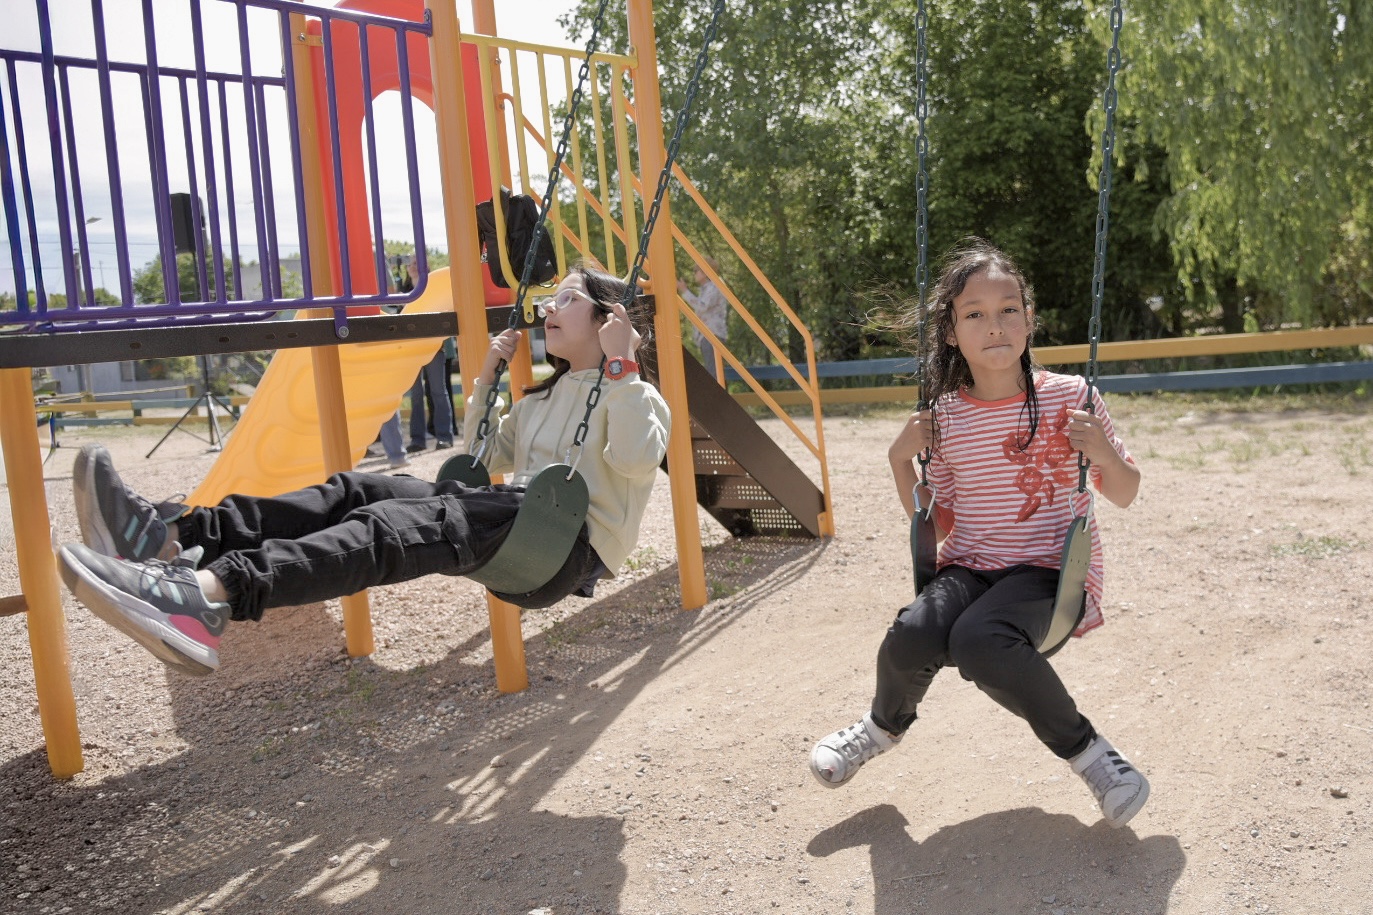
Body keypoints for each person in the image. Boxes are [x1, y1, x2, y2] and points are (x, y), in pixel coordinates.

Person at [57, 264, 670, 676]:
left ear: (609, 321)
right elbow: (482, 457)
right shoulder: (541, 398)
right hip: (519, 523)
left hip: (566, 547)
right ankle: (170, 535)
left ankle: (206, 597)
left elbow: (637, 459)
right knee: (358, 489)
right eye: (551, 297)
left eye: (567, 299)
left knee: (394, 524)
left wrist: (621, 370)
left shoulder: (637, 396)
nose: (548, 308)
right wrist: (485, 378)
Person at [808, 240, 1149, 830]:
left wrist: (1102, 453)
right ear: (950, 332)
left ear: (1029, 319)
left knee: (978, 639)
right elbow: (938, 524)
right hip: (970, 568)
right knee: (912, 633)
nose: (995, 326)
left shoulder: (1072, 398)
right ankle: (879, 728)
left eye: (1008, 310)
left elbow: (1125, 491)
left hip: (1050, 574)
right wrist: (899, 461)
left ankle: (1092, 755)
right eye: (975, 314)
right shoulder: (944, 417)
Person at [676, 256, 728, 378]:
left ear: (704, 272)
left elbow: (702, 307)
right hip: (708, 334)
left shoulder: (714, 286)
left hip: (712, 334)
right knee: (713, 370)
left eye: (696, 271)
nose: (694, 273)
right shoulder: (708, 288)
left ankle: (716, 391)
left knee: (714, 372)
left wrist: (685, 291)